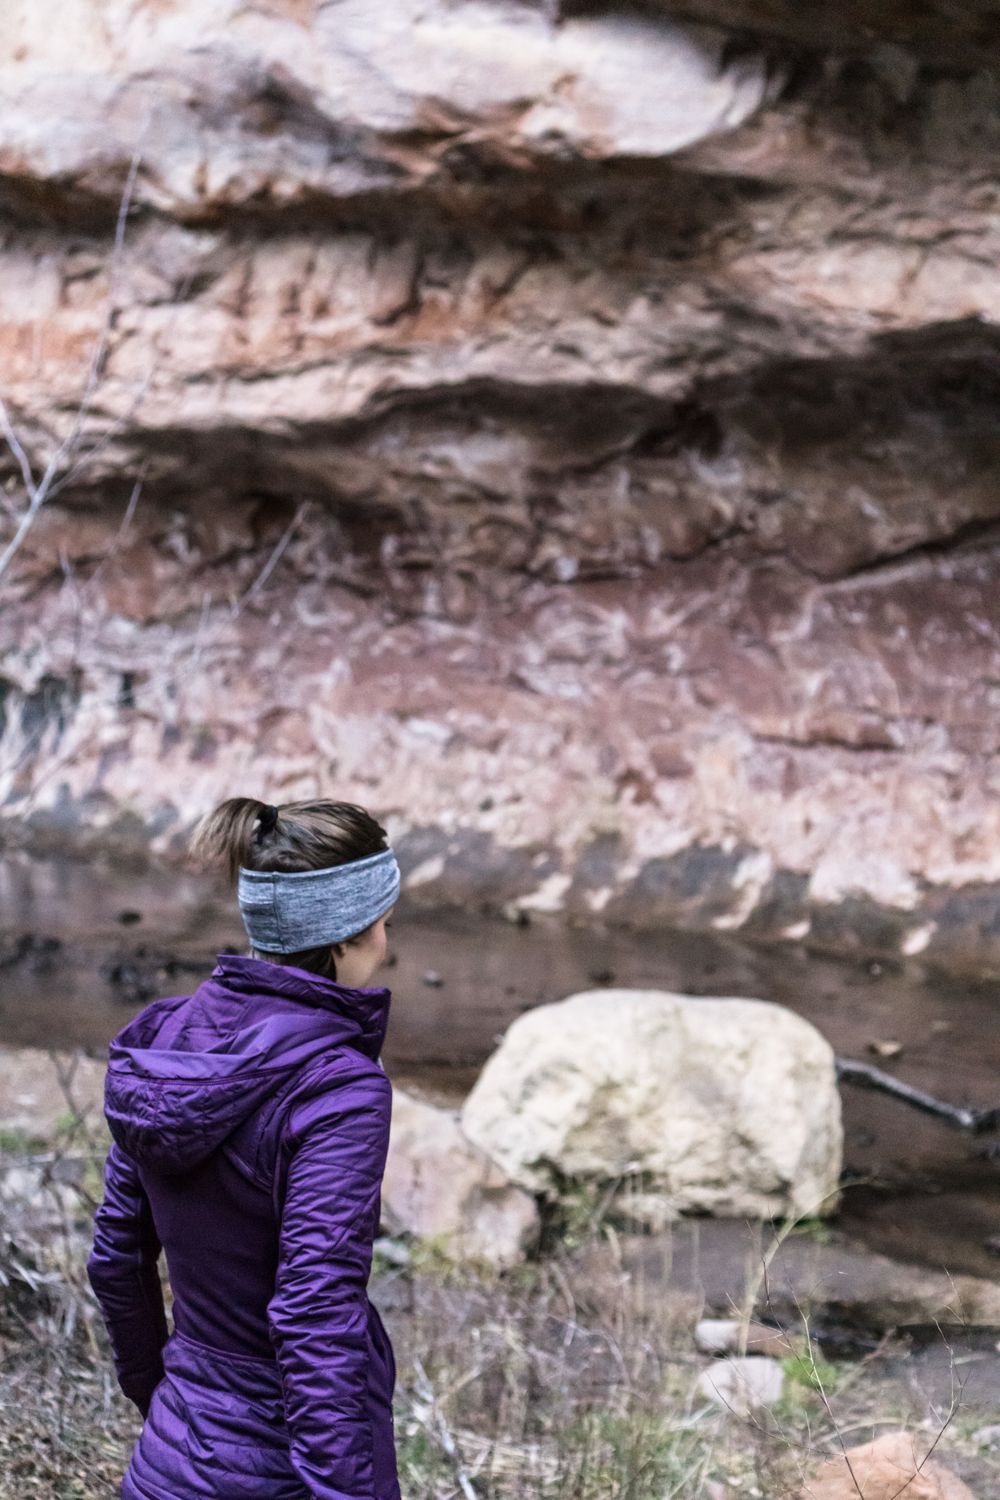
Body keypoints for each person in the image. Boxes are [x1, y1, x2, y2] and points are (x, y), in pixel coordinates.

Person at [87, 797, 403, 1500]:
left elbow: (116, 1256)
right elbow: (315, 1312)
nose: (388, 942)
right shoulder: (340, 1088)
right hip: (280, 1472)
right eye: (384, 923)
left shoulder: (166, 1043)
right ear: (344, 937)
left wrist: (164, 1403)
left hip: (165, 1463)